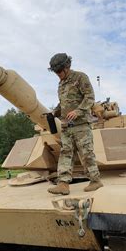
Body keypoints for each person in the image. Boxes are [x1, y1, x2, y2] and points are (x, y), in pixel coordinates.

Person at [46, 53, 103, 195]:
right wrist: (55, 112)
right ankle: (63, 184)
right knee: (65, 154)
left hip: (81, 125)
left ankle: (95, 181)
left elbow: (89, 97)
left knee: (86, 153)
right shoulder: (61, 84)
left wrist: (78, 111)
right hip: (67, 126)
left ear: (67, 66)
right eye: (55, 72)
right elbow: (64, 103)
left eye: (59, 71)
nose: (58, 75)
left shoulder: (80, 77)